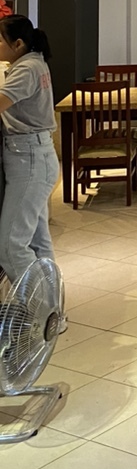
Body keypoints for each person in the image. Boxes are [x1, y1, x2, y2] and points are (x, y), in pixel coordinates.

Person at [0, 15, 61, 286]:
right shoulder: (34, 62)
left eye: (0, 41)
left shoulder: (26, 69)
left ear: (18, 44)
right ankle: (49, 304)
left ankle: (33, 304)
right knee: (38, 242)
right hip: (36, 155)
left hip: (29, 159)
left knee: (11, 246)